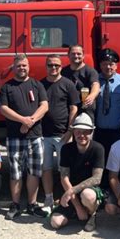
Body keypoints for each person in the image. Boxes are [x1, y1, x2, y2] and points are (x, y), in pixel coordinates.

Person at [0, 53, 48, 220]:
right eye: (18, 66)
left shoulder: (37, 84)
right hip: (14, 137)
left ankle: (32, 204)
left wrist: (31, 121)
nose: (22, 68)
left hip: (35, 136)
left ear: (29, 67)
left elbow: (44, 105)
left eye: (24, 65)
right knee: (15, 172)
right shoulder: (7, 87)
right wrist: (22, 120)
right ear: (14, 68)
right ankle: (16, 204)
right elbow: (3, 109)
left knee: (34, 171)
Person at [49, 114, 105, 233]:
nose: (82, 135)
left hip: (88, 190)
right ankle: (78, 211)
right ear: (73, 132)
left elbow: (97, 178)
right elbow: (64, 176)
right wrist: (78, 206)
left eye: (86, 132)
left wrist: (71, 191)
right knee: (55, 223)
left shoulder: (98, 148)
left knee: (88, 195)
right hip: (71, 191)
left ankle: (92, 214)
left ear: (91, 132)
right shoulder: (66, 148)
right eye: (78, 131)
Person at [40, 54, 79, 210]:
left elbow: (74, 108)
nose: (53, 68)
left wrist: (70, 130)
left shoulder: (68, 84)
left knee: (65, 169)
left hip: (63, 134)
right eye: (50, 65)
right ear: (46, 66)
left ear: (61, 66)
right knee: (46, 168)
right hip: (43, 134)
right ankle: (49, 198)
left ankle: (68, 198)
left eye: (56, 65)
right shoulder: (40, 84)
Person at [95, 48, 120, 186]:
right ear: (100, 65)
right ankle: (104, 191)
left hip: (119, 132)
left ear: (116, 65)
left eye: (111, 63)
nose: (108, 67)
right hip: (99, 132)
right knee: (102, 162)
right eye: (105, 63)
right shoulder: (94, 83)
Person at [61, 44, 100, 120]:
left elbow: (95, 84)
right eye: (73, 54)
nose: (76, 56)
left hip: (85, 109)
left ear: (83, 56)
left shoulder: (90, 71)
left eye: (79, 54)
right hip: (68, 108)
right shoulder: (63, 72)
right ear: (68, 55)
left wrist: (92, 95)